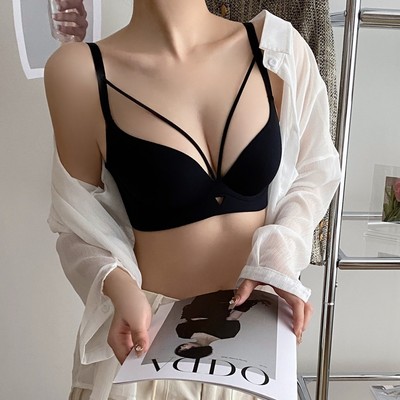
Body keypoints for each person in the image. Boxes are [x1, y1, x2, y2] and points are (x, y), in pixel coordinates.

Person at [44, 0, 341, 399]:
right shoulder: (78, 71)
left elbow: (315, 172)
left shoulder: (276, 49)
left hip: (258, 354)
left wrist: (279, 255)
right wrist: (117, 285)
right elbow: (75, 221)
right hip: (149, 349)